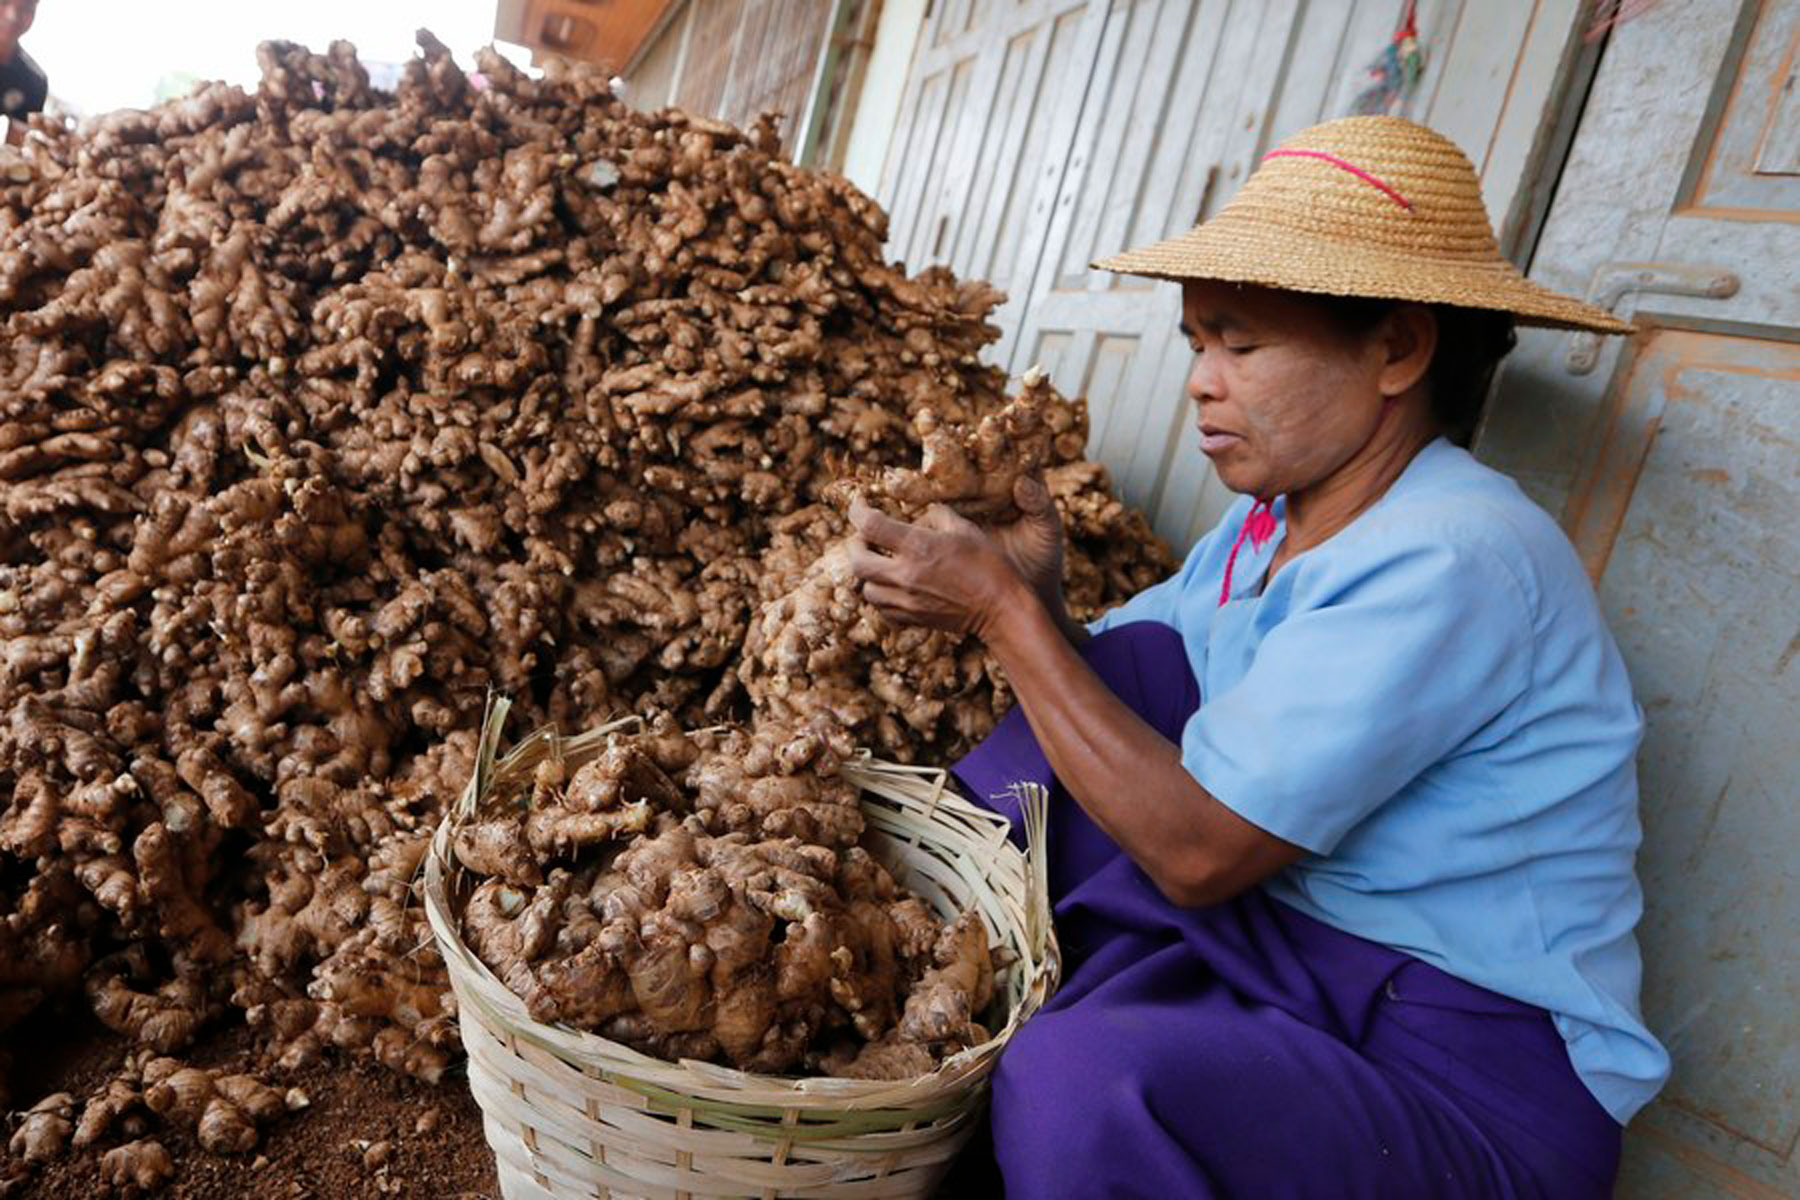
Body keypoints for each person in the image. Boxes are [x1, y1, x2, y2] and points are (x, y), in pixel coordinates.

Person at [848, 116, 1668, 1198]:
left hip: (1459, 1070)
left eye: (1241, 343)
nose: (1200, 381)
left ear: (1398, 350)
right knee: (1136, 669)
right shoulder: (1268, 529)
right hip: (1299, 974)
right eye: (1196, 344)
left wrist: (1005, 617)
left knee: (1088, 1082)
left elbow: (1197, 853)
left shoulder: (1457, 555)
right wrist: (1039, 601)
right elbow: (1118, 719)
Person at [0, 0, 44, 146]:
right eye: (4, 2)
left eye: (27, 8)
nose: (12, 16)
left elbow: (13, 153)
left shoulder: (34, 82)